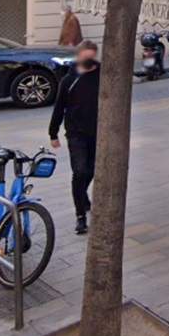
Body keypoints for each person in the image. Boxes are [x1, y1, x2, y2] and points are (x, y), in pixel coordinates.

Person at [48, 40, 100, 235]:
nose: (89, 59)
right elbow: (59, 107)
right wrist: (53, 133)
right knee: (79, 171)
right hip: (76, 133)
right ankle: (80, 216)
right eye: (85, 56)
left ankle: (82, 195)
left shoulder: (102, 75)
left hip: (98, 132)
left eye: (92, 55)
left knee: (91, 171)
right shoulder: (69, 80)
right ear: (79, 56)